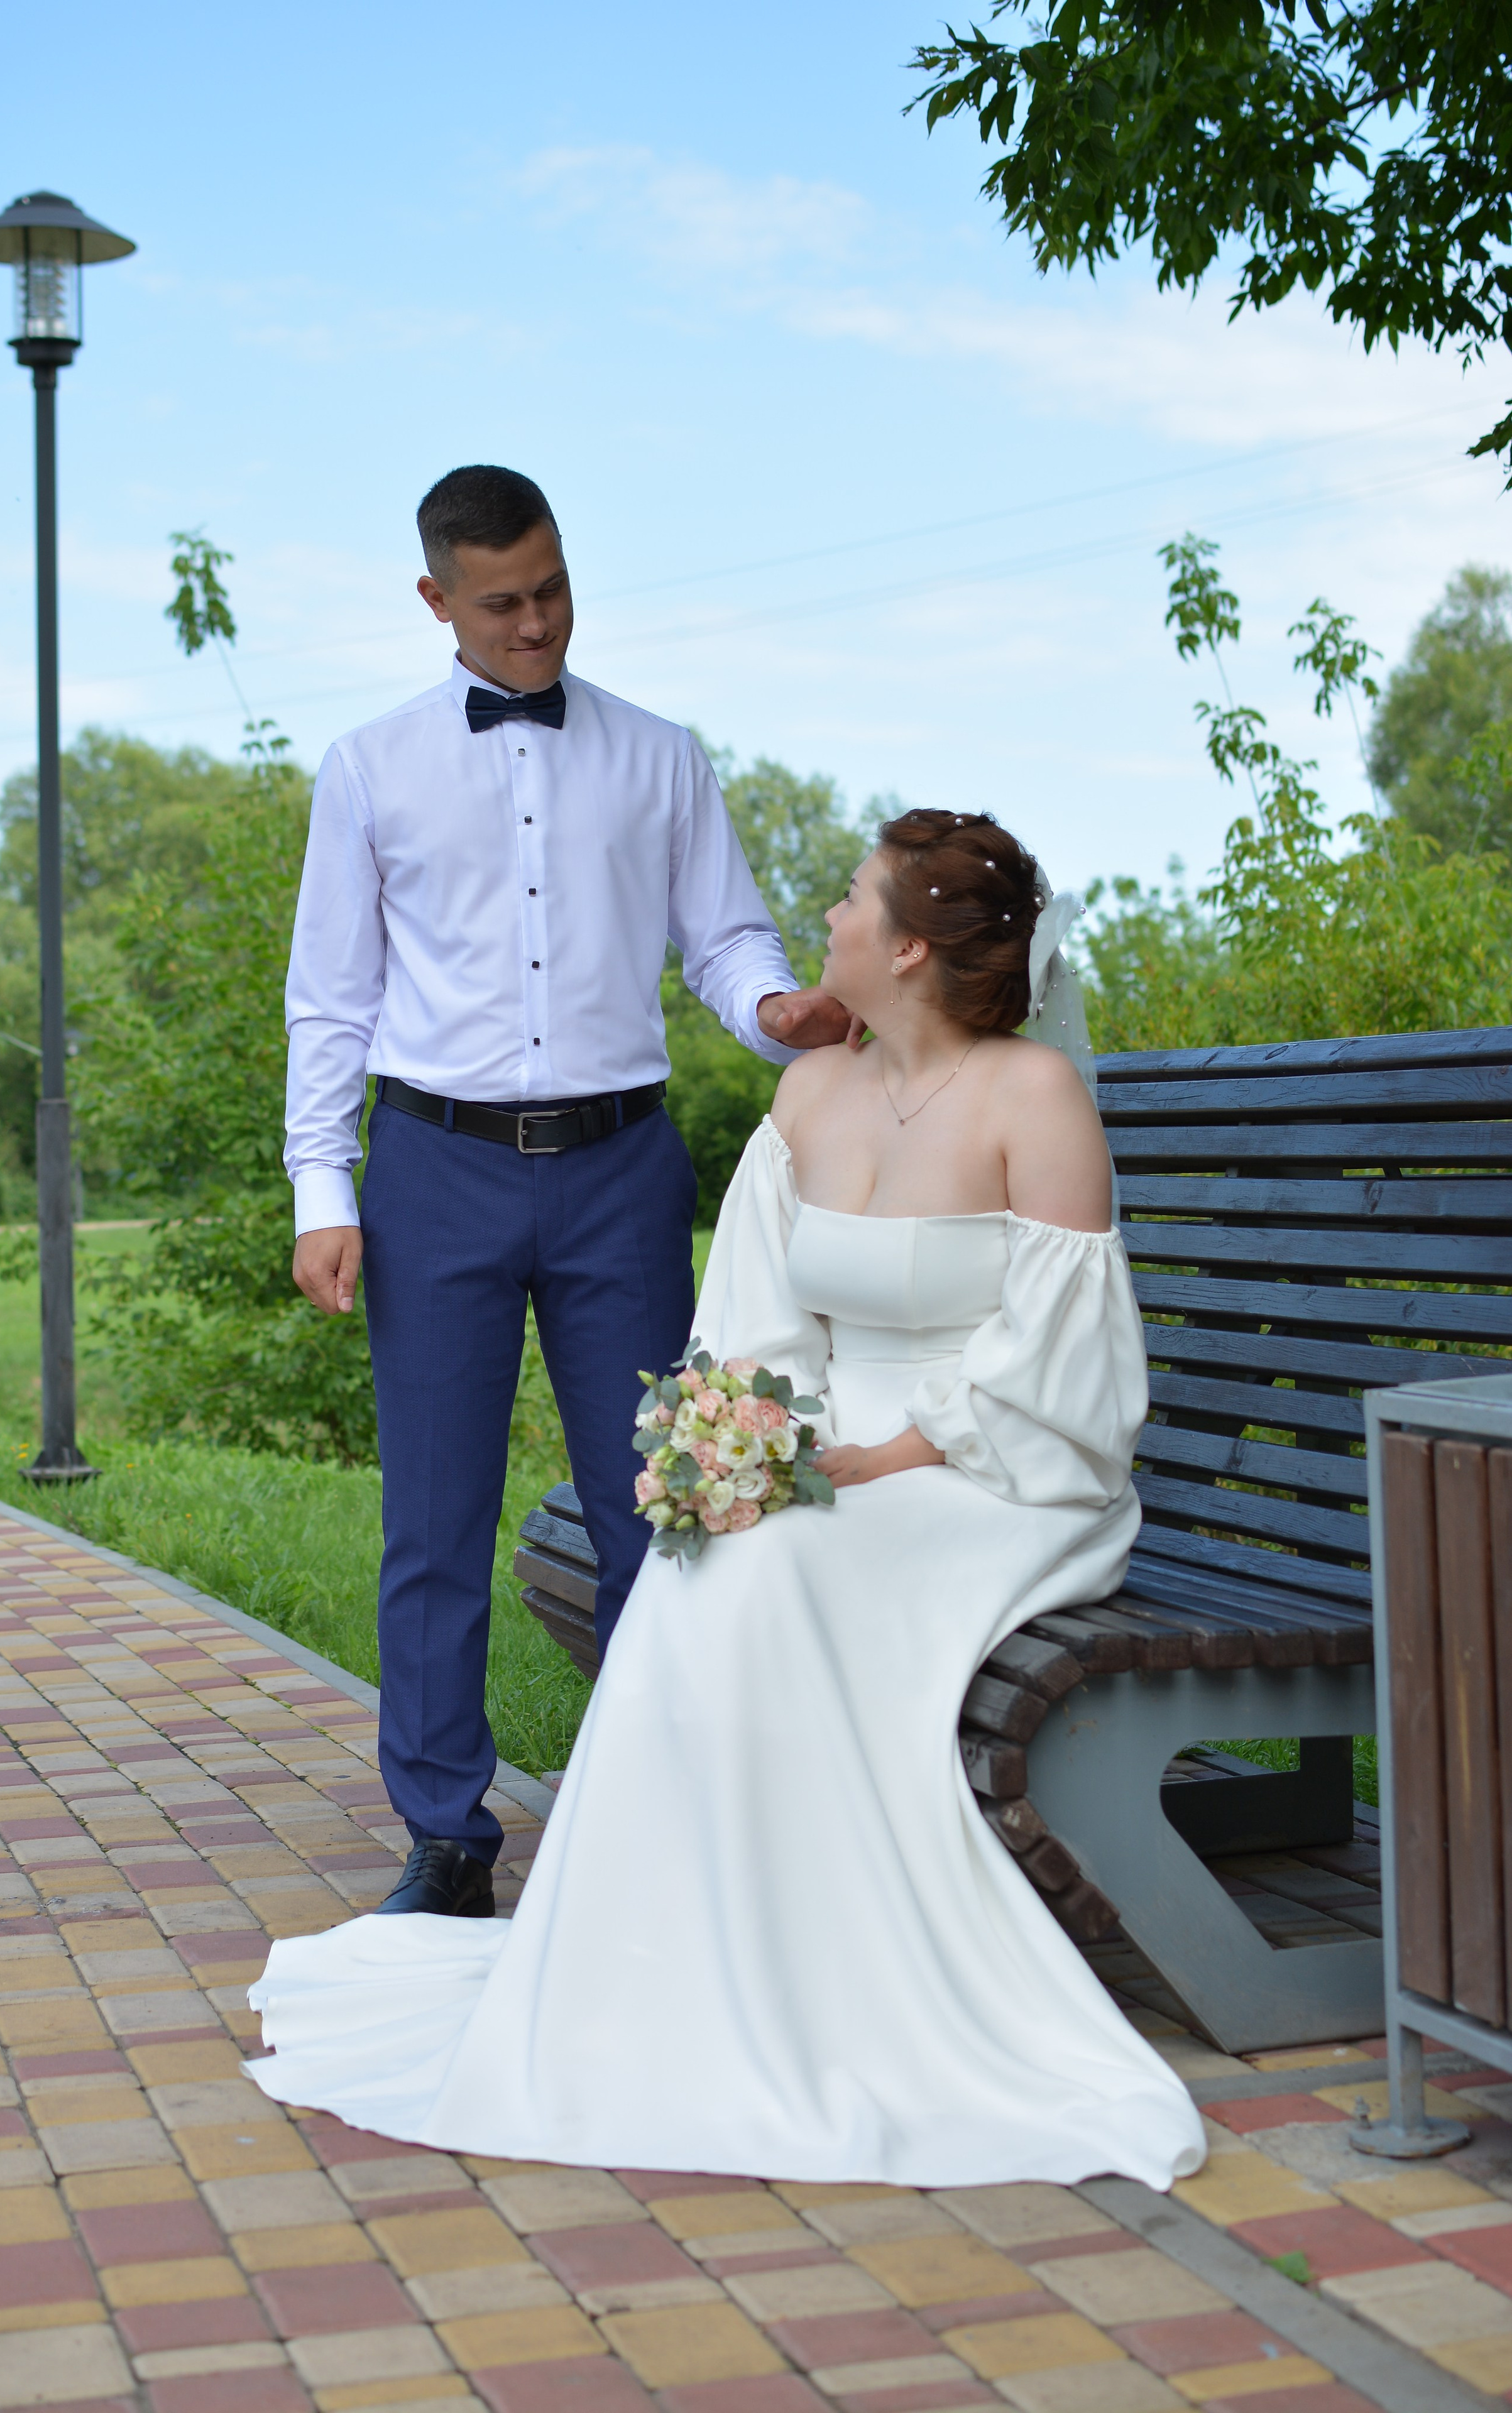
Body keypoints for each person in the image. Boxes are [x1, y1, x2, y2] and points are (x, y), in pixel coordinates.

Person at [251, 806, 1208, 2192]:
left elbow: (1063, 1357)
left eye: (852, 899)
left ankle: (819, 1961)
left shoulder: (1032, 1098)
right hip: (839, 1455)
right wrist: (747, 1443)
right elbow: (757, 1326)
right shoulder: (812, 1095)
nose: (827, 919)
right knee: (711, 1550)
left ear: (912, 948)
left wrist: (893, 1455)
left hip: (1002, 1470)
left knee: (776, 1566)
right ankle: (673, 1959)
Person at [284, 466, 856, 1921]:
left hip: (620, 1167)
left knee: (656, 1504)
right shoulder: (367, 769)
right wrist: (319, 1189)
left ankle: (649, 1812)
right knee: (434, 1519)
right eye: (500, 604)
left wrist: (774, 1009)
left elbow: (724, 940)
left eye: (550, 591)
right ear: (436, 601)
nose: (534, 624)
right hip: (434, 1171)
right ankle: (445, 1837)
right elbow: (331, 1001)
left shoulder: (660, 756)